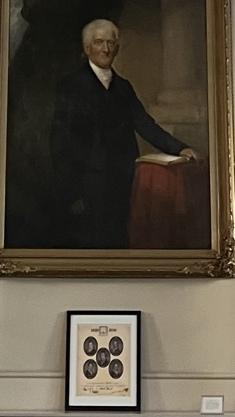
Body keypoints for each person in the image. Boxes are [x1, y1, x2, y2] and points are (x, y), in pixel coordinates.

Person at [50, 18, 200, 248]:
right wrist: (71, 194)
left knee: (120, 242)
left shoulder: (123, 87)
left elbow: (145, 124)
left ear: (117, 48)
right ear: (87, 47)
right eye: (99, 42)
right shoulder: (70, 86)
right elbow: (60, 143)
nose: (106, 49)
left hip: (123, 180)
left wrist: (180, 148)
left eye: (111, 43)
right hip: (87, 186)